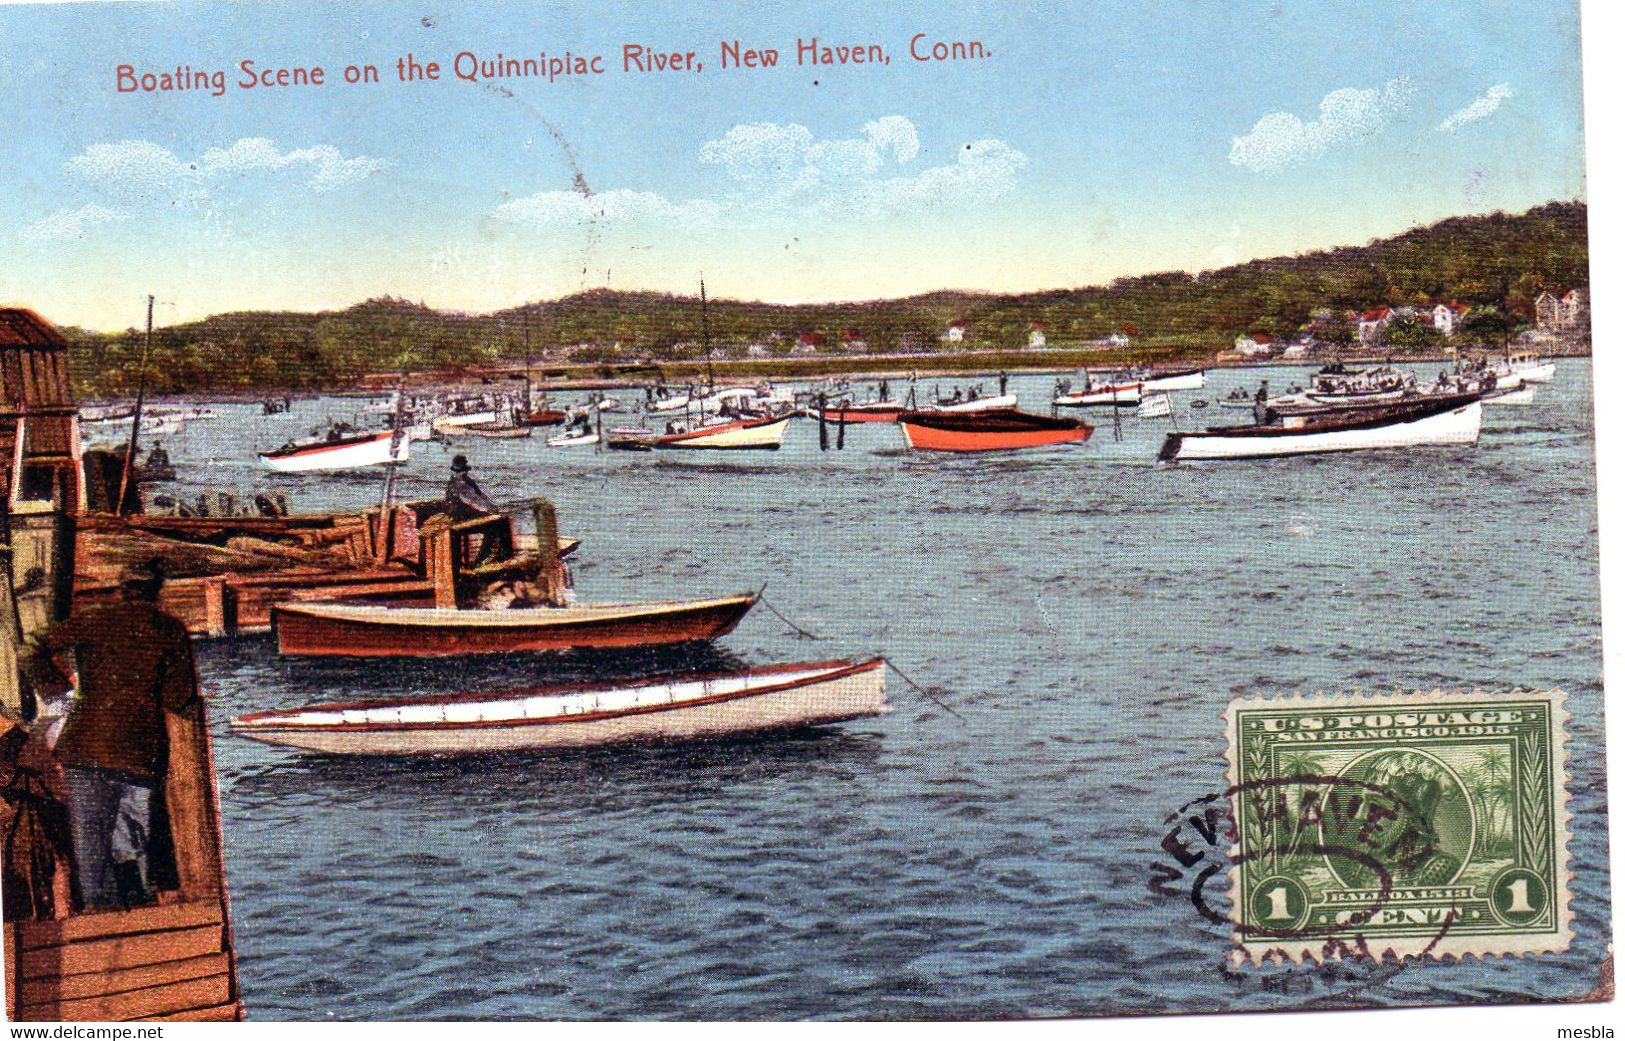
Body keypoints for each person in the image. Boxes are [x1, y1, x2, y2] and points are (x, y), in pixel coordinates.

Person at [21, 559, 200, 911]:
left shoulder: (95, 618)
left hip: (84, 749)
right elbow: (179, 700)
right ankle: (138, 918)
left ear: (122, 588)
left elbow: (33, 647)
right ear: (156, 590)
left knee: (90, 845)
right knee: (133, 843)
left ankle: (99, 920)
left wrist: (57, 688)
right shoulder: (170, 630)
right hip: (138, 753)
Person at [444, 455, 512, 563]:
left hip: (470, 513)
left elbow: (482, 497)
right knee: (493, 526)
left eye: (463, 471)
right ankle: (482, 558)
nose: (463, 473)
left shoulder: (468, 481)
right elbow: (469, 502)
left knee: (502, 520)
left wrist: (495, 508)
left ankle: (502, 555)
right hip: (460, 517)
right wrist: (487, 511)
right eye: (460, 471)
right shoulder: (456, 484)